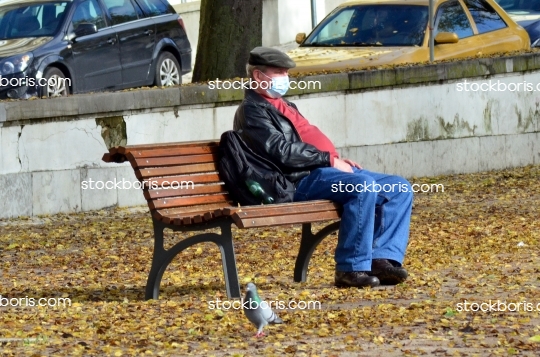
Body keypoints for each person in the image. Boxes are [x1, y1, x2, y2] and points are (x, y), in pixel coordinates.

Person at [233, 47, 413, 288]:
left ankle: (381, 259)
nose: (284, 77)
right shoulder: (253, 110)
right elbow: (281, 152)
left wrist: (336, 159)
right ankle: (350, 269)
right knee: (362, 186)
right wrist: (327, 160)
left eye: (286, 72)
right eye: (278, 72)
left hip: (325, 170)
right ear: (257, 75)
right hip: (298, 180)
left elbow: (306, 139)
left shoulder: (285, 105)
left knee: (398, 187)